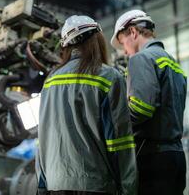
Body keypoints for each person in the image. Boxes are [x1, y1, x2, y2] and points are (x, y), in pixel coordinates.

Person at [36, 15, 137, 195]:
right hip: (96, 185)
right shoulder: (108, 77)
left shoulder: (50, 81)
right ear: (97, 40)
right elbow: (119, 141)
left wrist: (42, 186)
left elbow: (42, 139)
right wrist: (128, 188)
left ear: (65, 46)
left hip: (55, 184)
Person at [111, 10, 187, 195]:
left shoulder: (141, 59)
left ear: (133, 32)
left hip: (154, 159)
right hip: (176, 156)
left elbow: (141, 108)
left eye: (122, 44)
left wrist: (112, 120)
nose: (125, 52)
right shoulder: (171, 61)